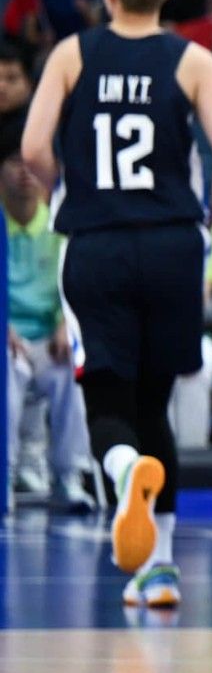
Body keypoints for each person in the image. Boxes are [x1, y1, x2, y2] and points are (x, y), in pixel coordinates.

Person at [19, 0, 212, 609]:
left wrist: (70, 185)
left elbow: (31, 150)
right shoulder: (192, 61)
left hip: (99, 243)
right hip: (175, 245)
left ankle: (122, 474)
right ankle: (161, 571)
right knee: (154, 405)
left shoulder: (71, 55)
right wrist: (202, 216)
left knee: (106, 398)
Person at [5, 126, 91, 513]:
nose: (23, 172)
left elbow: (76, 285)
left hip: (49, 340)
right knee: (6, 371)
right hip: (8, 342)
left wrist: (63, 324)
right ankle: (3, 478)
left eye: (30, 162)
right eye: (12, 162)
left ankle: (68, 478)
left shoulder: (61, 223)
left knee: (73, 369)